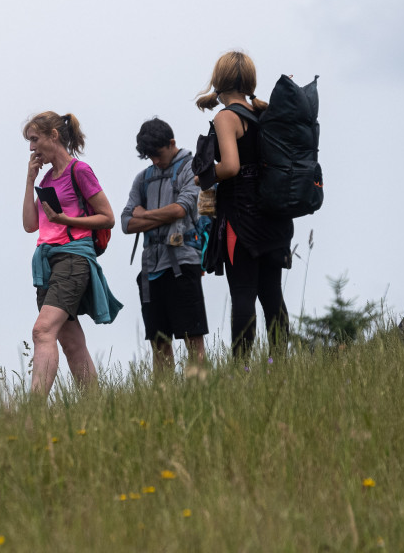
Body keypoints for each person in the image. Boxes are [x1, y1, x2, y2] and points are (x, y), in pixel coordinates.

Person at [195, 51, 293, 358]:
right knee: (272, 294)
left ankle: (242, 368)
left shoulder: (227, 117)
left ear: (219, 80)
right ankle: (279, 363)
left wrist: (203, 179)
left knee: (243, 294)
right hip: (273, 217)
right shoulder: (261, 114)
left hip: (242, 219)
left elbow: (231, 167)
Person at [22, 111, 118, 398]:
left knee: (42, 331)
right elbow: (30, 225)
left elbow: (108, 217)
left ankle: (34, 410)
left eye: (35, 139)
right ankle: (96, 407)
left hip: (73, 258)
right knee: (70, 343)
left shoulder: (80, 171)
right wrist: (30, 181)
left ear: (54, 135)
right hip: (48, 262)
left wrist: (66, 220)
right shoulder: (48, 179)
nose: (31, 147)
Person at [120, 118, 209, 373]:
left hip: (184, 261)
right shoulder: (143, 178)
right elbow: (126, 223)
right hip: (150, 268)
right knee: (159, 342)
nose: (155, 161)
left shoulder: (191, 167)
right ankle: (164, 399)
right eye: (149, 156)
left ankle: (200, 392)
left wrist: (144, 214)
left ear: (172, 143)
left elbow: (181, 209)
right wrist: (159, 215)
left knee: (193, 337)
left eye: (157, 154)